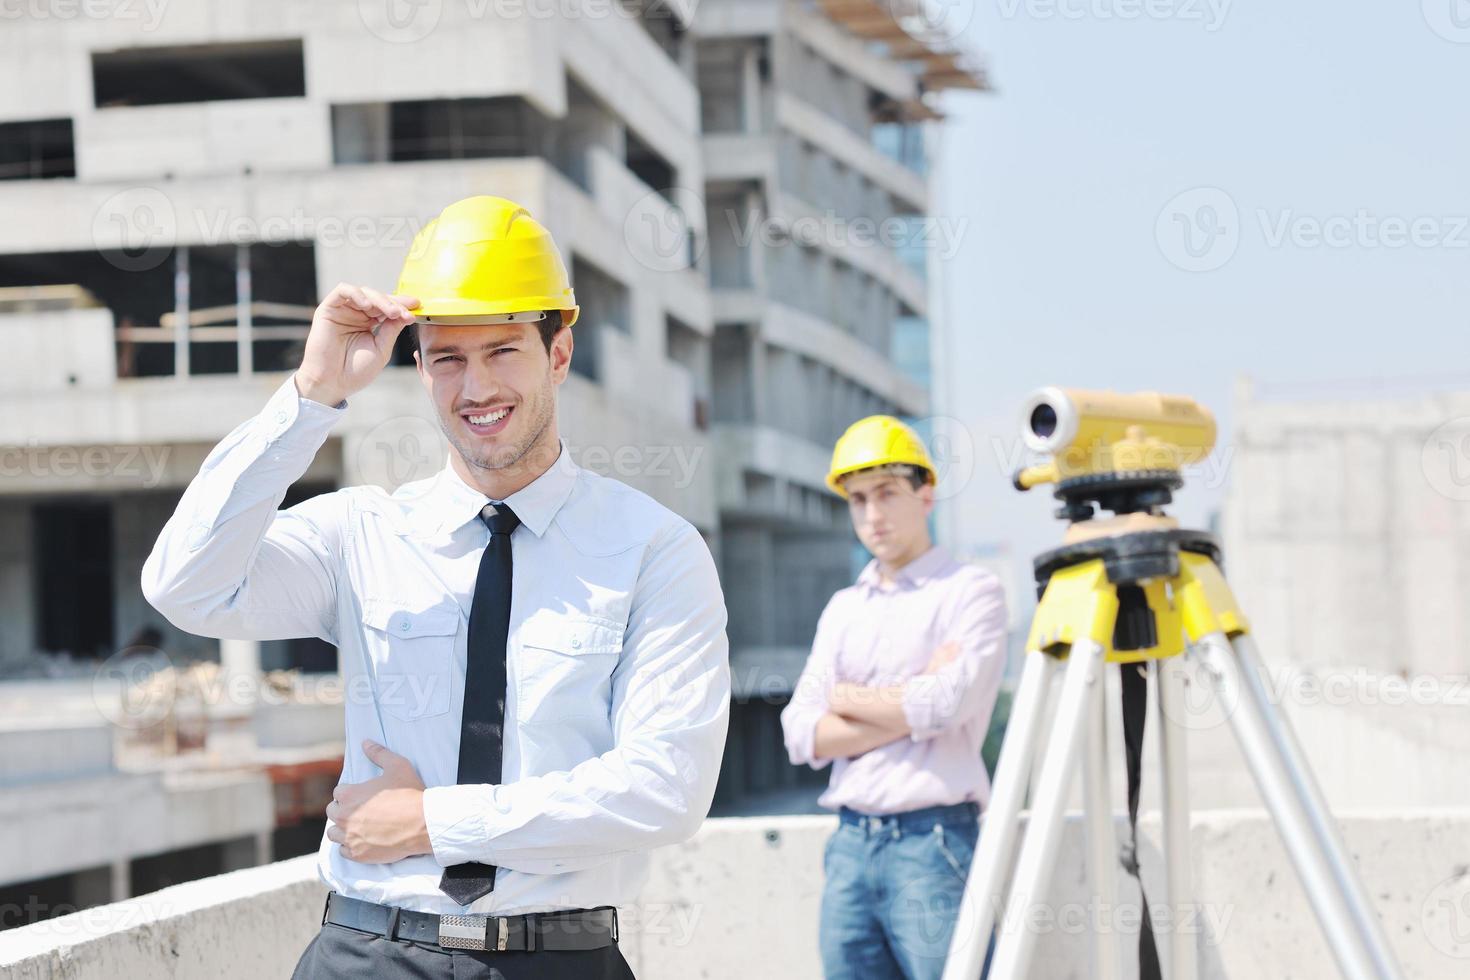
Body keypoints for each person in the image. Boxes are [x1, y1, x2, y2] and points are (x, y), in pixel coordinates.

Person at [142, 196, 731, 979]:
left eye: (504, 350)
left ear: (559, 351)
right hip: (367, 954)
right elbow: (184, 586)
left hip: (558, 959)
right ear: (417, 366)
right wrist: (311, 396)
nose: (475, 386)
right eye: (447, 357)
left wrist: (431, 823)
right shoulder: (360, 533)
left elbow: (664, 789)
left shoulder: (654, 550)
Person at [780, 416, 1007, 980]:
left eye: (886, 494)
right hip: (850, 845)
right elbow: (800, 731)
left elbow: (947, 705)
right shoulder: (844, 608)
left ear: (926, 492)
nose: (872, 515)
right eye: (858, 500)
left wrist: (844, 699)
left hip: (934, 843)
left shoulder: (971, 591)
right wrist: (907, 703)